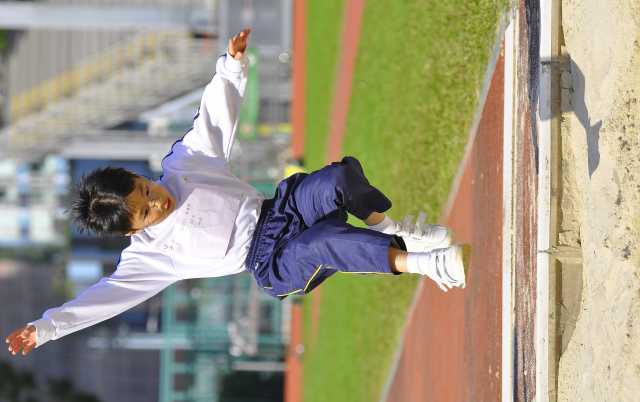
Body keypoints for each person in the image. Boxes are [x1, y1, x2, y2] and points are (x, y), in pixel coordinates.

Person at [6, 29, 471, 356]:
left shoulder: (184, 164)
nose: (158, 201)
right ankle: (431, 266)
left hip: (280, 209)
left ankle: (393, 229)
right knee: (322, 244)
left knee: (338, 178)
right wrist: (47, 328)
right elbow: (101, 301)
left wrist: (231, 67)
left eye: (147, 189)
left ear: (137, 175)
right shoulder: (148, 258)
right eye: (146, 212)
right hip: (270, 262)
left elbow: (212, 117)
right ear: (133, 231)